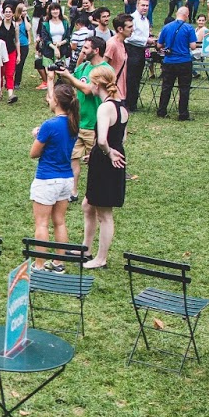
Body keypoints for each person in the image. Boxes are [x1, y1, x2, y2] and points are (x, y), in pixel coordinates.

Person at [82, 67, 128, 269]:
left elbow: (102, 140)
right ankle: (86, 248)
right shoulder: (122, 107)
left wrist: (107, 153)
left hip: (107, 160)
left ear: (98, 84)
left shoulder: (104, 108)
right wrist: (93, 155)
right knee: (87, 205)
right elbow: (121, 137)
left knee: (104, 214)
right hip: (108, 158)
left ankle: (101, 258)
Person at [30, 82, 79, 267]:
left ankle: (39, 264)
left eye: (50, 97)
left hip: (47, 178)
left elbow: (33, 153)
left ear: (57, 101)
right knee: (59, 222)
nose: (48, 99)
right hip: (66, 178)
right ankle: (59, 262)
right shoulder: (74, 123)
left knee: (42, 224)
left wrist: (38, 136)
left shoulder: (49, 125)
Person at [156, 6, 198, 120]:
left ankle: (162, 111)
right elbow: (193, 46)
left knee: (166, 87)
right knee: (184, 89)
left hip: (169, 61)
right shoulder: (189, 28)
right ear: (187, 15)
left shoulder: (166, 27)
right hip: (184, 61)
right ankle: (183, 114)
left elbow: (159, 45)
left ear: (176, 13)